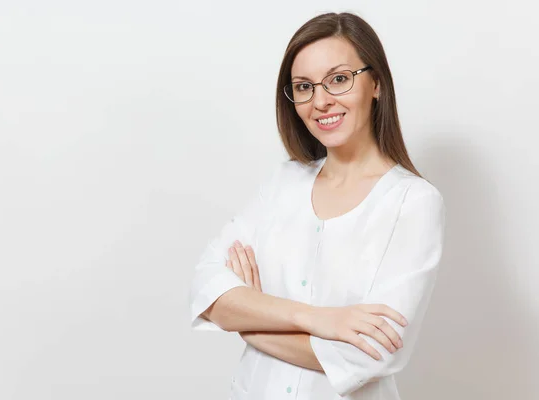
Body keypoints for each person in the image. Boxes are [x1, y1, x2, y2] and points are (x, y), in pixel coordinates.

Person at [188, 11, 446, 400]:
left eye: (339, 79)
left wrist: (252, 322)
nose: (320, 101)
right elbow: (208, 290)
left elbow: (374, 353)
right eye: (303, 86)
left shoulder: (413, 203)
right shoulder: (283, 183)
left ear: (375, 83)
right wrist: (318, 320)